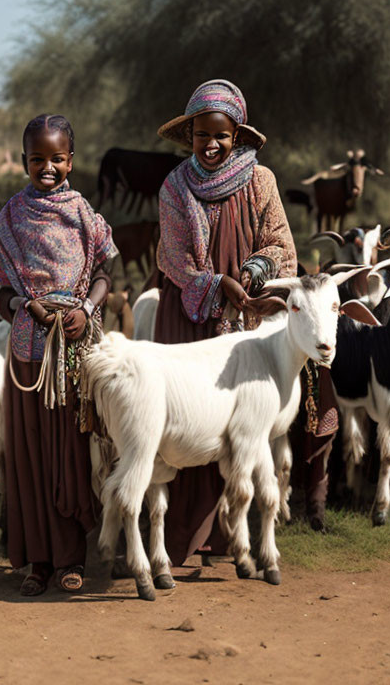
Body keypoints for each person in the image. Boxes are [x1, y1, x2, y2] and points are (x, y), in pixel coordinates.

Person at [154, 79, 298, 571]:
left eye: (221, 135)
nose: (211, 145)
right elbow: (173, 257)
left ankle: (228, 534)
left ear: (237, 134)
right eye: (201, 136)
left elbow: (279, 243)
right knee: (185, 415)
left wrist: (256, 272)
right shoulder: (175, 187)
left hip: (250, 311)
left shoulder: (262, 182)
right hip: (190, 313)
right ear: (189, 135)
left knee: (240, 420)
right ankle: (178, 536)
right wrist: (215, 285)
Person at [0, 114, 118, 596]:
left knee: (71, 455)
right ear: (24, 162)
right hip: (27, 356)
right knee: (30, 457)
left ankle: (70, 559)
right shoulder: (10, 220)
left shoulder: (83, 214)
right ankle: (36, 561)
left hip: (75, 352)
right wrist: (20, 303)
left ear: (71, 161)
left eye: (57, 159)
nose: (48, 168)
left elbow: (104, 273)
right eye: (38, 159)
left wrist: (87, 306)